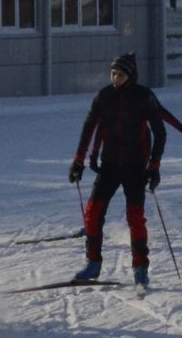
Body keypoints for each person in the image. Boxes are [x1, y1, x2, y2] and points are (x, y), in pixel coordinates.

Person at [68, 52, 173, 289]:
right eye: (113, 73)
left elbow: (160, 132)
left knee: (135, 218)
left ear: (131, 76)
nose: (115, 78)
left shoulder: (144, 97)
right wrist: (78, 160)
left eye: (121, 74)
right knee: (93, 213)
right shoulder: (103, 97)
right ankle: (93, 263)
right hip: (110, 165)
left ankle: (140, 268)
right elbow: (88, 127)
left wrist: (154, 166)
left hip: (136, 167)